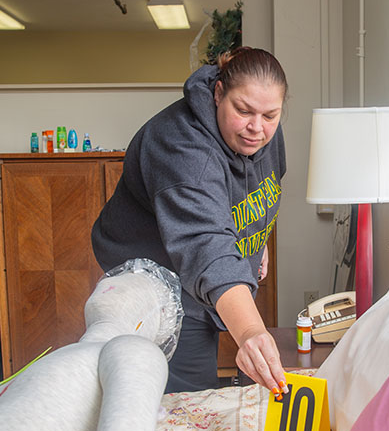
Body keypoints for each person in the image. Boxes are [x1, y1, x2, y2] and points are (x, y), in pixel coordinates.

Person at [91, 46, 288, 394]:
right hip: (161, 279)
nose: (257, 128)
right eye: (243, 111)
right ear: (217, 94)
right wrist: (252, 334)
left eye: (270, 115)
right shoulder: (182, 147)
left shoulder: (258, 131)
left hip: (211, 267)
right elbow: (205, 247)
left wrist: (260, 238)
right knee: (184, 400)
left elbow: (263, 187)